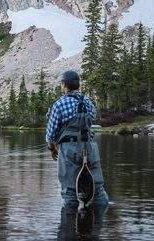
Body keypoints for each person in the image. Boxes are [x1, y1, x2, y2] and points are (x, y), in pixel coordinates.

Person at [46, 70, 109, 210]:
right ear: (78, 85)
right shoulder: (88, 101)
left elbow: (51, 133)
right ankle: (99, 222)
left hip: (69, 150)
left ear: (64, 85)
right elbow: (92, 118)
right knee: (98, 189)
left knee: (69, 191)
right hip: (90, 147)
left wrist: (52, 147)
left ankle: (69, 227)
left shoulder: (59, 104)